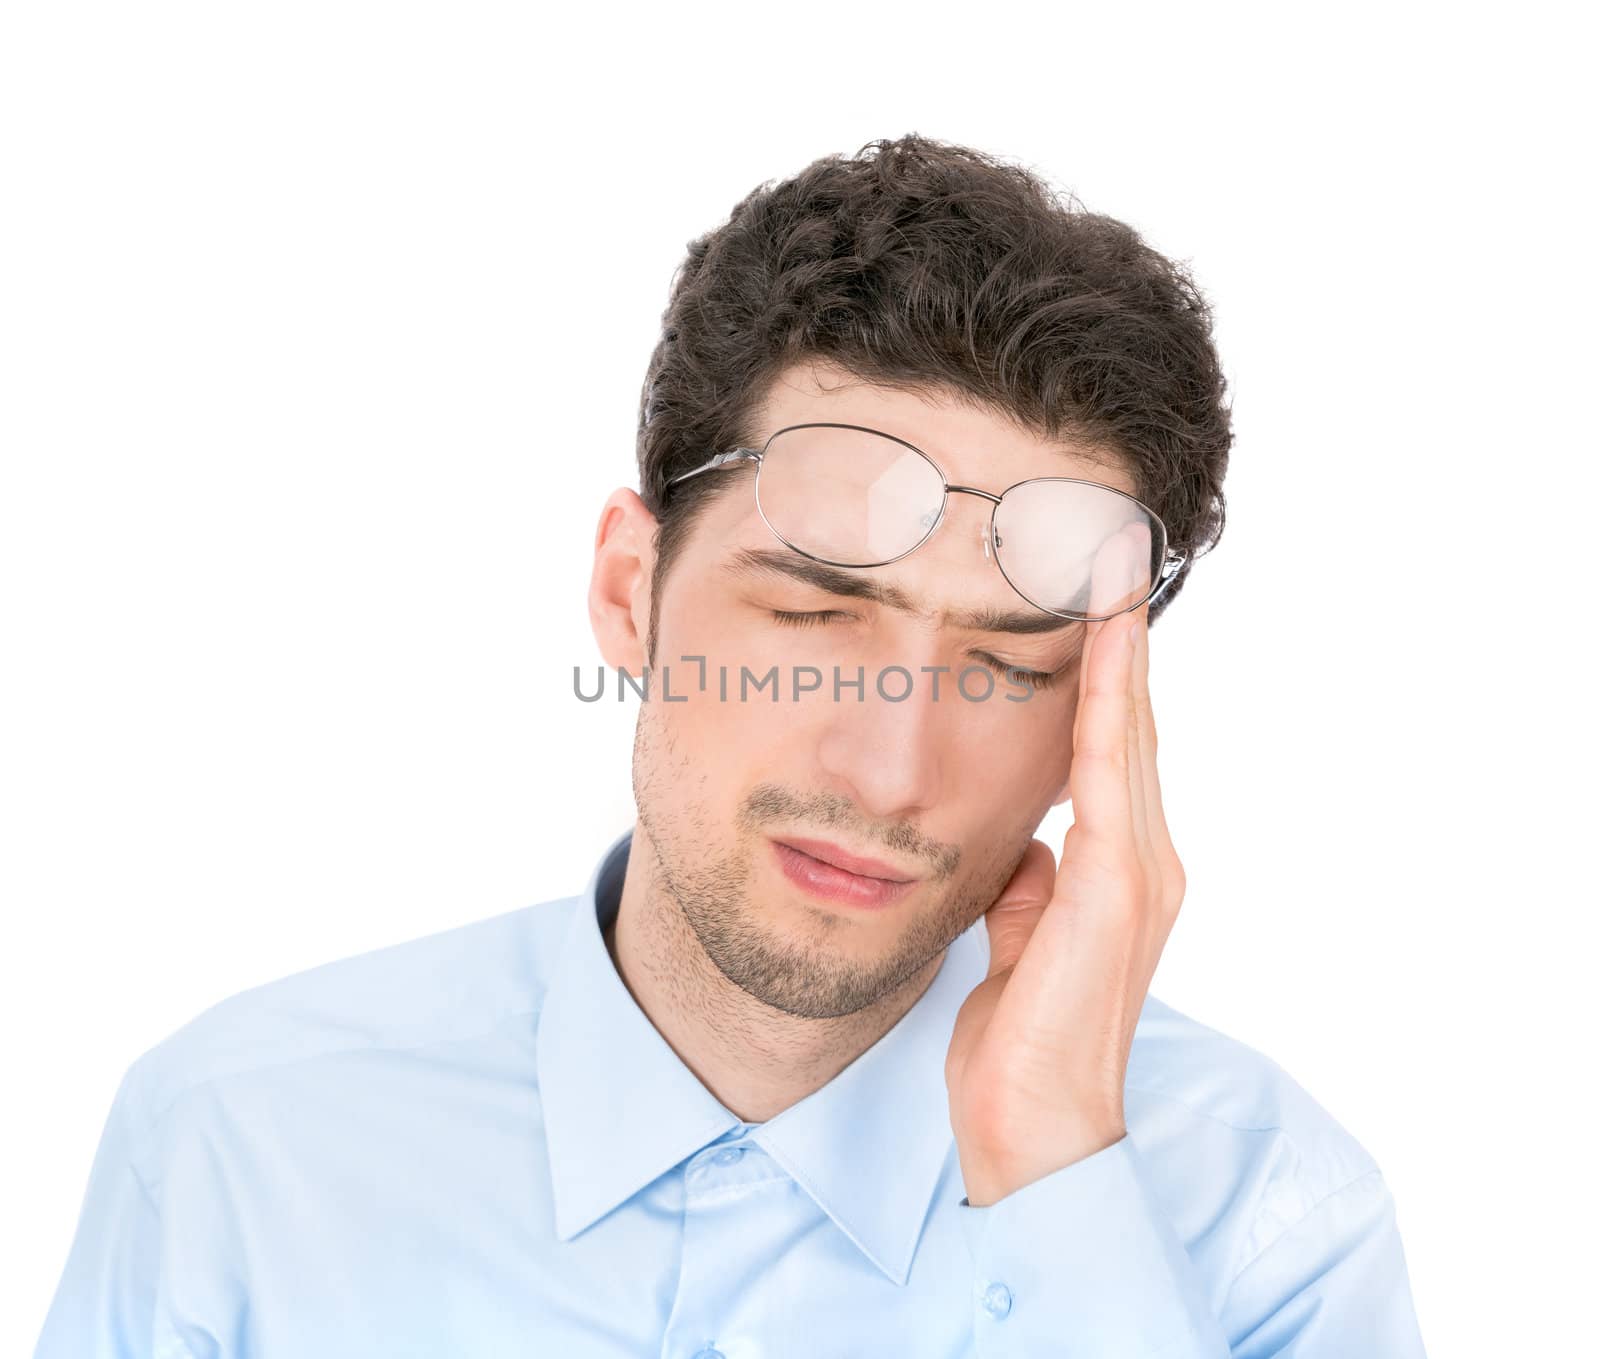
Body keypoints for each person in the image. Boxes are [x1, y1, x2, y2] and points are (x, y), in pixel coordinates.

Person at [35, 134, 1427, 1357]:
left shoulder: (1263, 1226)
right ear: (630, 594)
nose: (889, 774)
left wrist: (1057, 1168)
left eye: (1010, 664)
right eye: (814, 614)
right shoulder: (238, 1148)